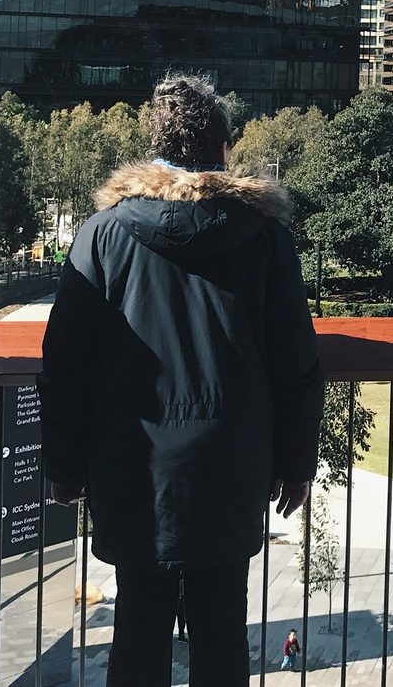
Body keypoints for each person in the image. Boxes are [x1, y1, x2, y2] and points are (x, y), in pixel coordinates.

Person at [40, 75, 325, 687]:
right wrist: (297, 461)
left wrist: (64, 466)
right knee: (222, 640)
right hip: (232, 460)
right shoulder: (266, 237)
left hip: (131, 464)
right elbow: (296, 360)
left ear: (154, 145)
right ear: (223, 144)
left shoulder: (104, 234)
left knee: (136, 635)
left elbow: (65, 358)